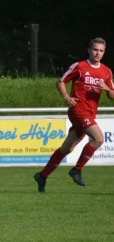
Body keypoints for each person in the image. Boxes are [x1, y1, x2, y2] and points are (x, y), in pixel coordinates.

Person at [34, 37, 114, 192]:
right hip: (78, 110)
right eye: (95, 49)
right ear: (89, 50)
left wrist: (106, 89)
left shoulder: (106, 71)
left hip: (90, 113)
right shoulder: (79, 66)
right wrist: (66, 97)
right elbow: (60, 81)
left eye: (101, 50)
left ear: (104, 52)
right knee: (98, 138)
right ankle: (76, 170)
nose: (98, 53)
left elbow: (112, 96)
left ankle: (42, 176)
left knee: (67, 148)